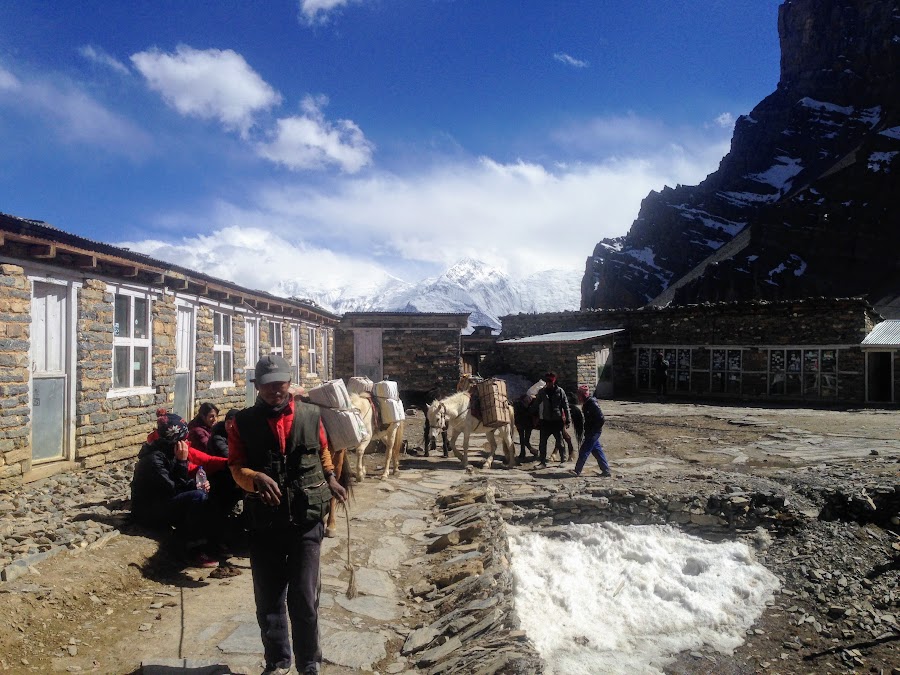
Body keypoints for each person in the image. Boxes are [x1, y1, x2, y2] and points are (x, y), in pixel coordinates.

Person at [228, 354, 348, 675]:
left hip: (306, 520)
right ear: (257, 387)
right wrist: (253, 478)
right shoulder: (242, 423)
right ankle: (277, 662)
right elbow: (235, 467)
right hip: (263, 523)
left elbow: (322, 451)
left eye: (280, 383)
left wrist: (332, 478)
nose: (274, 390)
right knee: (268, 600)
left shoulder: (311, 415)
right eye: (267, 385)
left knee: (305, 597)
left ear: (289, 383)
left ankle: (309, 663)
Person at [130, 411, 218, 568]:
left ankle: (210, 541)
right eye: (185, 438)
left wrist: (199, 484)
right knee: (197, 498)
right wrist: (182, 462)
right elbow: (174, 489)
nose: (187, 442)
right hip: (149, 512)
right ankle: (189, 548)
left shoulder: (169, 452)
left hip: (163, 501)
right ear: (176, 439)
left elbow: (179, 483)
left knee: (205, 493)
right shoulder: (154, 460)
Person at [534, 372, 572, 468]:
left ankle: (563, 460)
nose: (548, 383)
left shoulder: (560, 391)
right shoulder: (542, 392)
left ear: (554, 381)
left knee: (560, 441)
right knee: (542, 443)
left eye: (550, 381)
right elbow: (536, 403)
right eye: (547, 381)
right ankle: (542, 462)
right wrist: (533, 414)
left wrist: (568, 419)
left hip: (557, 420)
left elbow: (565, 406)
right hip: (546, 420)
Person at [573, 384, 611, 477]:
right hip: (590, 431)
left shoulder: (592, 403)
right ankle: (606, 470)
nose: (578, 397)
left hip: (594, 431)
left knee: (584, 450)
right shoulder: (586, 403)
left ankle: (577, 470)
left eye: (579, 394)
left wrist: (594, 430)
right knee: (597, 451)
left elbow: (601, 418)